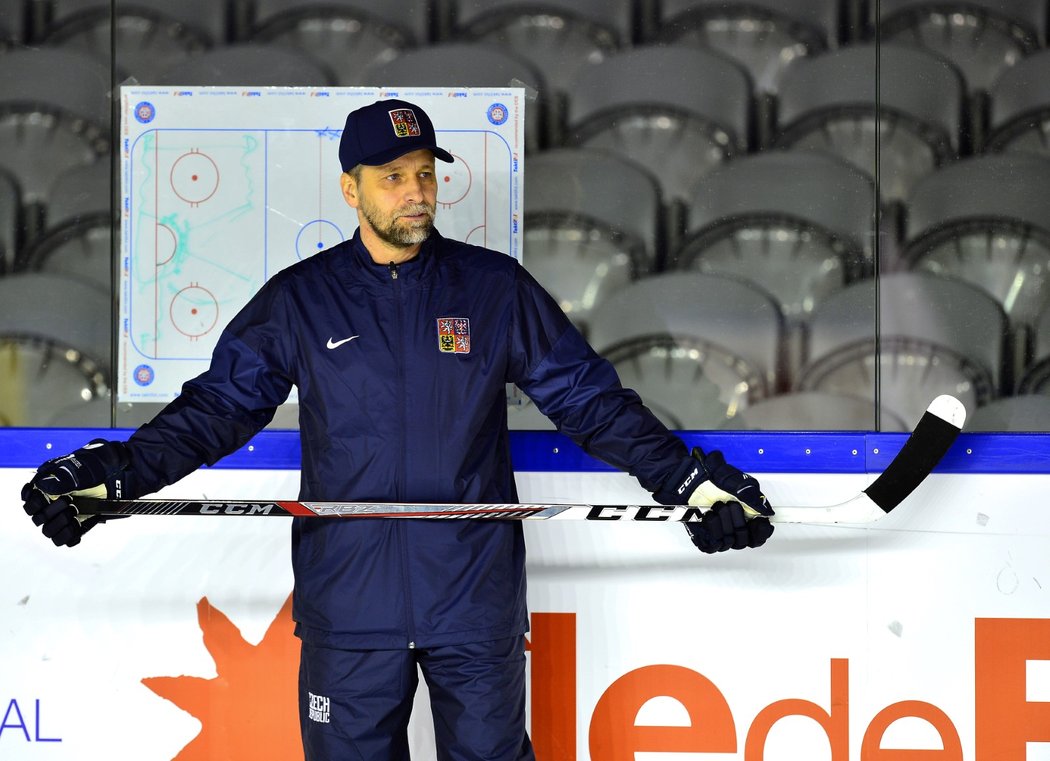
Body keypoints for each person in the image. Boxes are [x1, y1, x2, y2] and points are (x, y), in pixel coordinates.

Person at [22, 99, 774, 761]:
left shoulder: (493, 289)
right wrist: (116, 473)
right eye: (392, 177)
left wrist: (686, 479)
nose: (415, 193)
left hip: (471, 601)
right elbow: (216, 410)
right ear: (350, 189)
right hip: (349, 607)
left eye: (424, 174)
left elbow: (589, 400)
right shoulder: (301, 300)